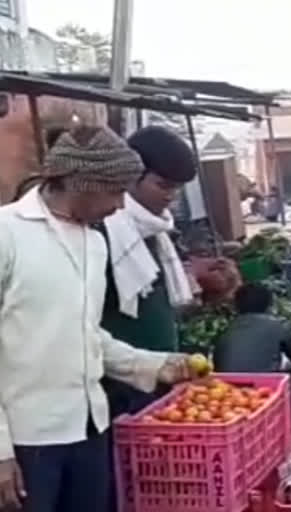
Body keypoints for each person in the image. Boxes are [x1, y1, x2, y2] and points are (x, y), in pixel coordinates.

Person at [0, 126, 193, 512]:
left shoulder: (93, 242)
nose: (120, 206)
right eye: (114, 192)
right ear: (81, 182)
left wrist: (152, 364)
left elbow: (86, 335)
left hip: (89, 429)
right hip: (25, 441)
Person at [100, 125, 197, 419]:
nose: (172, 196)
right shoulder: (104, 232)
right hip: (119, 386)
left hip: (161, 377)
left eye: (178, 187)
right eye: (163, 185)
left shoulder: (157, 232)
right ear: (131, 177)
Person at [213, 283, 291, 416]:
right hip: (263, 392)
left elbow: (219, 366)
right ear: (269, 305)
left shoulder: (227, 329)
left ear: (236, 307)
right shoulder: (276, 326)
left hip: (227, 397)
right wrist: (287, 373)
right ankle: (285, 416)